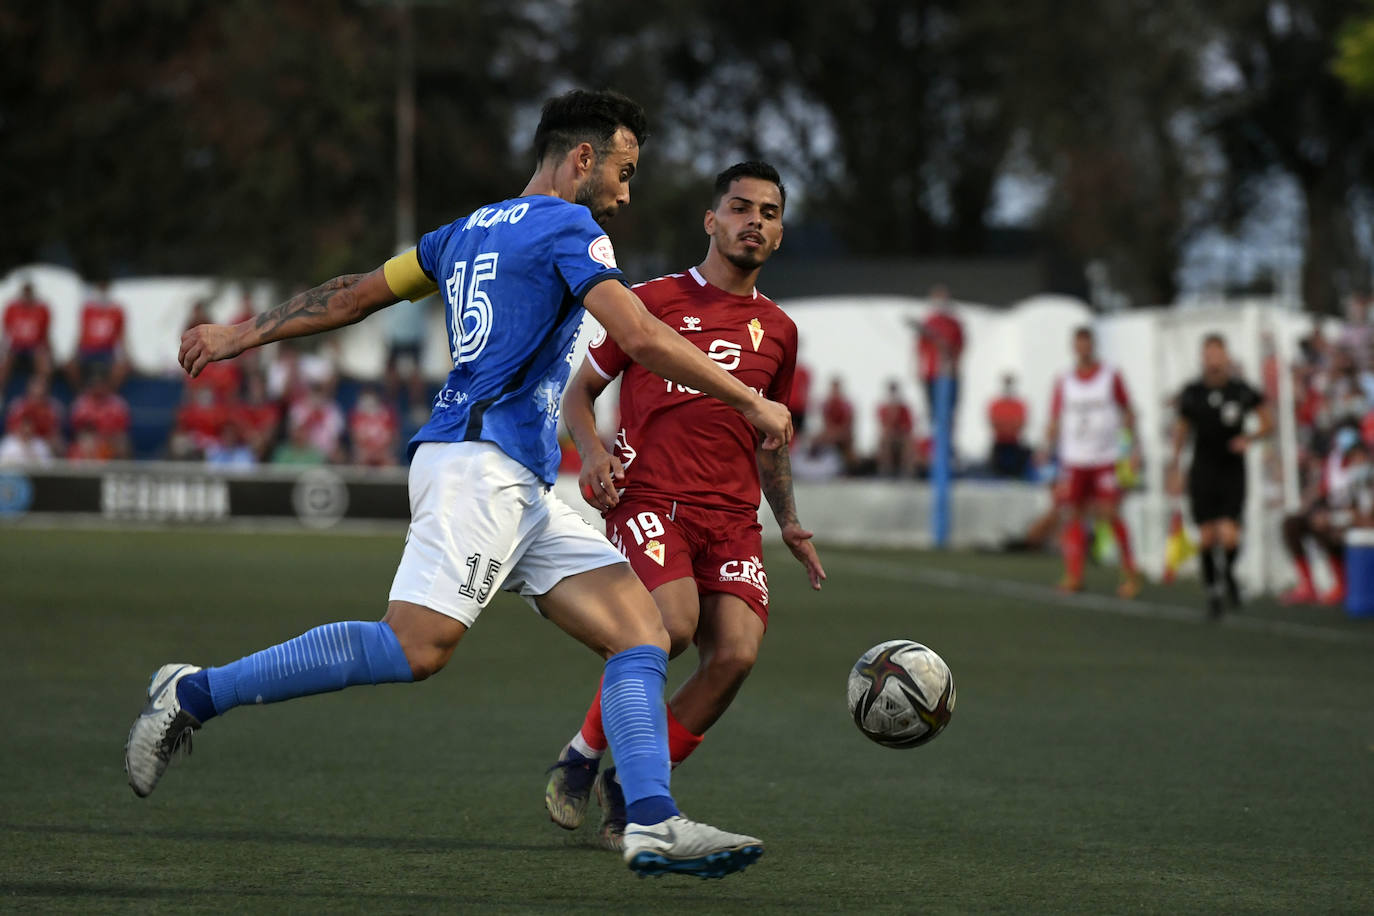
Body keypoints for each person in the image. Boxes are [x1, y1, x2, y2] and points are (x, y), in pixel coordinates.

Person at [125, 90, 791, 880]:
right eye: (623, 169)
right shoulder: (573, 227)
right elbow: (640, 334)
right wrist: (749, 398)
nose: (624, 189)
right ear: (583, 158)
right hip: (479, 468)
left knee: (641, 633)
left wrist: (241, 333)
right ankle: (194, 693)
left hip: (516, 480)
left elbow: (354, 293)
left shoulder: (464, 230)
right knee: (414, 647)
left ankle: (651, 820)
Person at [544, 161, 825, 851]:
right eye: (739, 207)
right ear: (711, 220)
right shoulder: (649, 302)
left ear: (780, 234)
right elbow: (579, 393)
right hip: (651, 498)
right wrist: (595, 453)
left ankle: (624, 785)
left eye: (768, 213)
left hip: (732, 519)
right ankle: (583, 752)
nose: (753, 221)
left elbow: (771, 433)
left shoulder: (781, 333)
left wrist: (786, 518)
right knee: (669, 624)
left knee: (734, 655)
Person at [1166, 334, 1273, 618]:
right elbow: (1181, 432)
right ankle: (1214, 591)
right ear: (1203, 357)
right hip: (1202, 469)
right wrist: (1175, 467)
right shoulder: (1192, 392)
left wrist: (1249, 438)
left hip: (1232, 470)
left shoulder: (1241, 391)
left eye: (1218, 353)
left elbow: (1267, 422)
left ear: (1226, 356)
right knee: (1206, 536)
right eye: (1209, 353)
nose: (1213, 359)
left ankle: (1229, 576)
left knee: (1229, 535)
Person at [1045, 326, 1142, 597]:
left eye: (1086, 344)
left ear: (1093, 346)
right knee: (1073, 513)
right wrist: (1046, 447)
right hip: (1074, 457)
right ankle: (1074, 574)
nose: (1083, 349)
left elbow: (1128, 411)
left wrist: (1133, 449)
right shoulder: (1064, 379)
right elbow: (1054, 417)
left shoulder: (1111, 375)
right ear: (1073, 347)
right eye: (1078, 344)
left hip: (1105, 456)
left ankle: (1130, 572)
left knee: (1110, 513)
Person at [1280, 428, 1373, 605]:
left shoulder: (1367, 474)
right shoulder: (1334, 467)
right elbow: (1325, 495)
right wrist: (1319, 512)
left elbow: (1363, 513)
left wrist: (1342, 518)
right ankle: (1308, 585)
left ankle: (1344, 584)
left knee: (1325, 527)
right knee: (1293, 524)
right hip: (1338, 515)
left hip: (1357, 523)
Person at [908, 284, 964, 432]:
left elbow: (960, 347)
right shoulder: (929, 322)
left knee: (949, 411)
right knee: (933, 411)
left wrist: (952, 361)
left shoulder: (954, 324)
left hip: (949, 374)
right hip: (931, 374)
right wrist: (920, 370)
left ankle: (948, 444)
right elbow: (920, 350)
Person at [67, 280, 131, 390]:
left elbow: (122, 336)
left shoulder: (117, 311)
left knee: (121, 368)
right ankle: (83, 395)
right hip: (88, 350)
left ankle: (107, 397)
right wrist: (74, 353)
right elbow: (81, 333)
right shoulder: (88, 309)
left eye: (104, 289)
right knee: (70, 366)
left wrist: (126, 356)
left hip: (107, 352)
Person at [1, 281, 53, 391]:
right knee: (5, 363)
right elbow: (6, 331)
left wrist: (48, 349)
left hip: (34, 346)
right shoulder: (12, 308)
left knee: (44, 363)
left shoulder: (42, 309)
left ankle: (41, 391)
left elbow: (45, 332)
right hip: (16, 346)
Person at [69, 371, 131, 460]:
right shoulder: (81, 402)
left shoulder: (117, 402)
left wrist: (108, 436)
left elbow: (123, 427)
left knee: (122, 441)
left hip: (111, 438)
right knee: (87, 440)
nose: (99, 387)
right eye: (95, 384)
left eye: (101, 384)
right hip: (91, 438)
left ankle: (121, 471)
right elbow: (79, 427)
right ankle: (91, 473)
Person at [5, 374, 64, 455]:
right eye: (36, 387)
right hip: (20, 444)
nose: (39, 390)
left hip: (42, 445)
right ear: (29, 389)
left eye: (42, 387)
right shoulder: (18, 406)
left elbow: (54, 436)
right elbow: (12, 431)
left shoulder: (53, 409)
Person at [987, 373, 1031, 479]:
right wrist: (1009, 426)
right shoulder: (995, 404)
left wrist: (1007, 426)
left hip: (1015, 444)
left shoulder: (1019, 405)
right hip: (999, 444)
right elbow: (994, 423)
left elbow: (1020, 424)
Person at [875, 379, 916, 477]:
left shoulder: (904, 408)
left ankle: (907, 471)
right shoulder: (883, 408)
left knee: (908, 441)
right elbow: (883, 427)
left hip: (901, 436)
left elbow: (908, 427)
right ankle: (886, 470)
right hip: (889, 436)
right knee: (885, 440)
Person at [817, 377, 855, 468]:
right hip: (831, 432)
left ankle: (849, 466)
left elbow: (848, 423)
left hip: (843, 433)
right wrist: (832, 432)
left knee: (846, 440)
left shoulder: (846, 404)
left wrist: (838, 432)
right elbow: (826, 422)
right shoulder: (826, 404)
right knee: (816, 439)